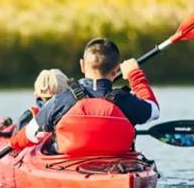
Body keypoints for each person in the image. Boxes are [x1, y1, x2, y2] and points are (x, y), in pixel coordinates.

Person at [9, 37, 159, 155]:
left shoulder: (62, 100)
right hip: (118, 167)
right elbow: (154, 111)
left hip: (69, 166)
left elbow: (29, 133)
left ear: (82, 65)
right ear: (116, 69)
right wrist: (135, 75)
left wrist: (13, 144)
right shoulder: (125, 100)